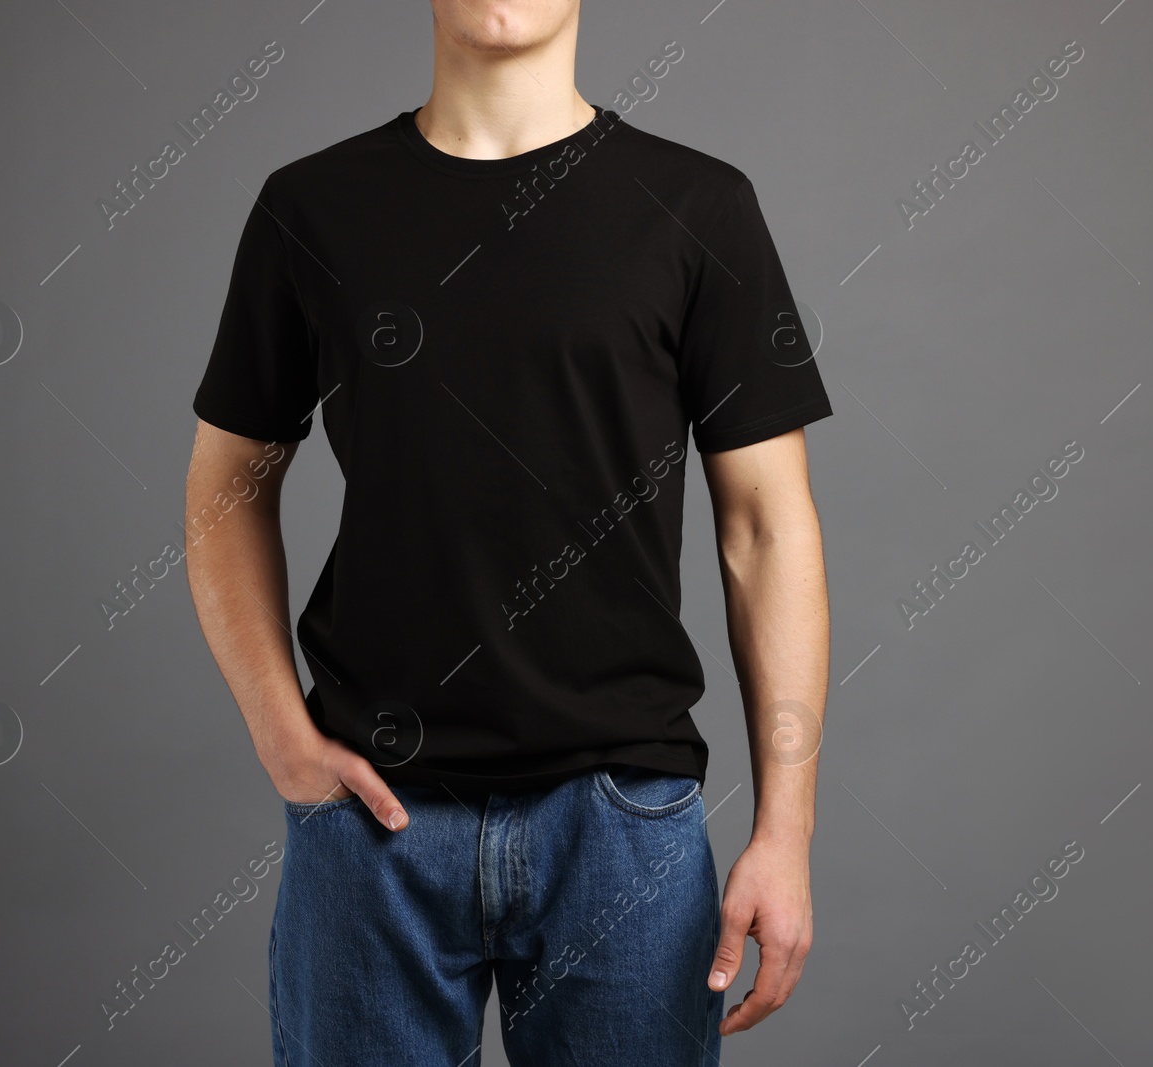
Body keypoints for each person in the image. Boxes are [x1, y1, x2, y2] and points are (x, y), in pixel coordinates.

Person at [184, 2, 832, 1063]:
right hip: (371, 819)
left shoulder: (696, 207)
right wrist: (278, 732)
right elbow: (225, 491)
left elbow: (768, 529)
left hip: (622, 822)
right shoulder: (313, 208)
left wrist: (785, 829)